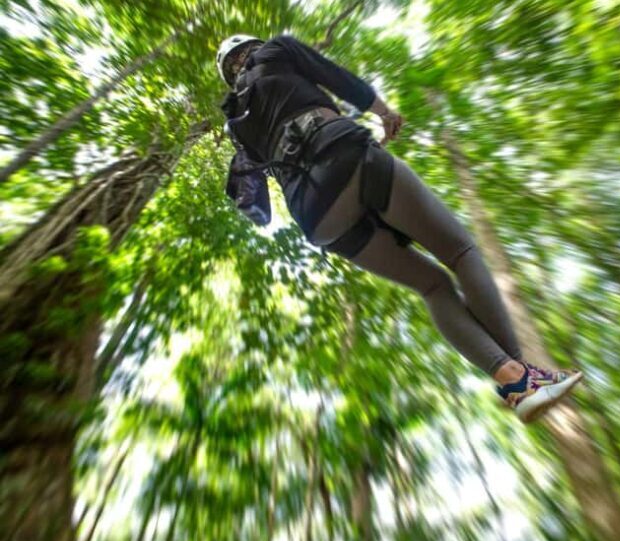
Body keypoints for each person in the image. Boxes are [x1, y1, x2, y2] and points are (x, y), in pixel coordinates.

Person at [216, 33, 583, 423]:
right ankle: (524, 375)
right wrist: (384, 112)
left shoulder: (237, 122)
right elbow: (337, 77)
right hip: (347, 156)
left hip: (318, 217)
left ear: (230, 73)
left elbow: (259, 183)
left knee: (431, 286)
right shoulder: (276, 50)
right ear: (252, 49)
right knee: (460, 252)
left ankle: (513, 379)